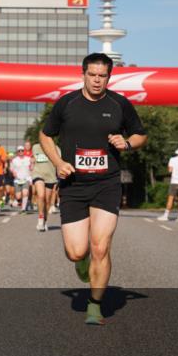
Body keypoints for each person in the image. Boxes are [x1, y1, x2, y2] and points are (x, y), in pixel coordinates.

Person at [39, 53, 147, 325]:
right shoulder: (67, 103)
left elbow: (140, 134)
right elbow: (45, 134)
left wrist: (127, 143)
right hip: (73, 185)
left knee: (101, 246)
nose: (97, 80)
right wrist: (58, 162)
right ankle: (82, 261)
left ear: (109, 77)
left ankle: (95, 305)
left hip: (106, 184)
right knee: (76, 251)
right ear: (83, 74)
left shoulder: (119, 104)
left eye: (103, 76)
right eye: (92, 75)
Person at [31, 140, 60, 232]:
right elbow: (33, 158)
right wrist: (32, 162)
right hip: (38, 174)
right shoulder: (35, 147)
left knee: (47, 201)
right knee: (41, 195)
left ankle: (45, 221)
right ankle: (40, 218)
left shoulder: (56, 148)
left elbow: (59, 162)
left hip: (50, 177)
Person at [10, 145, 34, 217]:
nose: (21, 152)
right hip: (17, 180)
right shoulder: (14, 160)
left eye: (22, 151)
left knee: (25, 193)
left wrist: (32, 163)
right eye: (19, 151)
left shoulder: (28, 159)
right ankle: (18, 203)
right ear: (17, 152)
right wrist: (13, 172)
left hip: (26, 178)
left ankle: (23, 209)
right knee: (18, 196)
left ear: (24, 151)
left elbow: (32, 168)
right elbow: (11, 168)